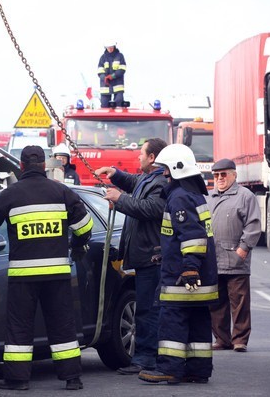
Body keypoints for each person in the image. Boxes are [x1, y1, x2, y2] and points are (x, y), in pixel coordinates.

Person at [0, 146, 93, 391]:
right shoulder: (62, 192)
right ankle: (72, 378)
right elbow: (85, 228)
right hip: (57, 274)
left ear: (21, 166)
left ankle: (17, 379)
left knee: (19, 326)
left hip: (23, 276)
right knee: (63, 324)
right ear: (44, 165)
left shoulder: (10, 194)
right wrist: (76, 245)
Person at [138, 144, 218, 384]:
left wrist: (189, 267)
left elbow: (192, 235)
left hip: (183, 278)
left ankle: (169, 368)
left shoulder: (179, 197)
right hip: (199, 276)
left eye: (165, 170)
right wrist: (166, 253)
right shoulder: (192, 194)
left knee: (172, 321)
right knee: (198, 324)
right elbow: (183, 235)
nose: (163, 174)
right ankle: (198, 370)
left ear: (176, 169)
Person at [94, 137, 168, 375]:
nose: (138, 156)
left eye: (141, 153)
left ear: (152, 157)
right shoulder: (149, 178)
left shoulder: (162, 183)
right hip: (145, 256)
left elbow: (151, 209)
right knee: (145, 308)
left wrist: (120, 199)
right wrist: (115, 173)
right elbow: (134, 182)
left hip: (152, 257)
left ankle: (146, 359)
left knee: (148, 310)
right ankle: (145, 357)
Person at [206, 158, 261, 352]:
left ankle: (239, 340)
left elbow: (253, 225)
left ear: (234, 175)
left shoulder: (245, 196)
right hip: (214, 259)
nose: (220, 178)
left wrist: (244, 248)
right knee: (216, 303)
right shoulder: (209, 198)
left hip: (236, 259)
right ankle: (222, 339)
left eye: (224, 174)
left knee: (239, 303)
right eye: (216, 175)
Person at [98, 41, 126, 108]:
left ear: (114, 46)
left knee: (118, 104)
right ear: (106, 48)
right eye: (108, 47)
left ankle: (118, 118)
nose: (110, 49)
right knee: (104, 106)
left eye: (111, 47)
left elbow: (122, 69)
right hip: (105, 87)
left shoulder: (120, 56)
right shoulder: (102, 58)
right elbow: (100, 71)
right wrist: (105, 78)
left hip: (118, 86)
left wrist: (112, 76)